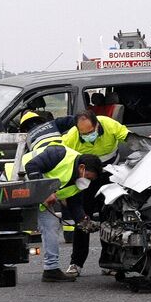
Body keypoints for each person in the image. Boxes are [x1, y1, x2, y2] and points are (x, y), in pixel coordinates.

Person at [60, 110, 130, 276]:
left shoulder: (109, 125)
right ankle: (76, 263)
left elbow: (128, 137)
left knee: (110, 220)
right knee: (83, 220)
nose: (87, 136)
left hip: (108, 176)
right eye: (83, 134)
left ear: (97, 124)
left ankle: (110, 262)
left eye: (90, 132)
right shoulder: (71, 137)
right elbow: (62, 161)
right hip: (86, 179)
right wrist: (64, 192)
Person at [22, 147, 102, 282]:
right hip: (15, 183)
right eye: (88, 177)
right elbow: (31, 166)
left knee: (51, 225)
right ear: (82, 167)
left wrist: (83, 221)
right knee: (7, 227)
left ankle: (51, 269)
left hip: (32, 192)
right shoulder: (60, 154)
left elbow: (75, 205)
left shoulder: (77, 183)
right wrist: (45, 191)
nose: (87, 181)